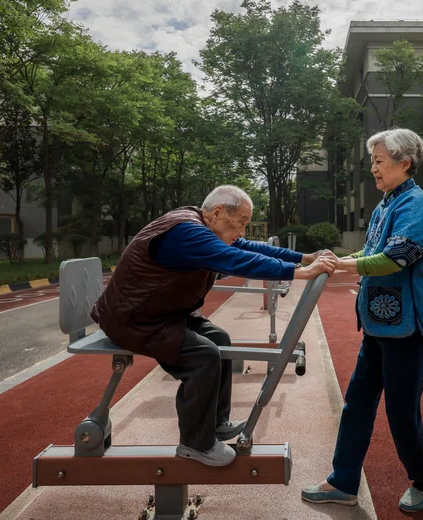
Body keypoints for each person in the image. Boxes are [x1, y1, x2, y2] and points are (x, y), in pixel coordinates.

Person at [90, 185, 336, 468]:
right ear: (219, 212)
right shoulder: (185, 232)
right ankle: (195, 443)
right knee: (203, 356)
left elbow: (246, 247)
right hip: (132, 318)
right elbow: (235, 259)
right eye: (241, 221)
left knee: (219, 339)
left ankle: (216, 424)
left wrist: (302, 258)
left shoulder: (202, 227)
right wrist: (299, 273)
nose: (242, 231)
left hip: (159, 313)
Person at [301, 128, 423, 513]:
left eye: (379, 162)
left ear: (404, 163)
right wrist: (344, 255)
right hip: (381, 325)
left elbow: (396, 257)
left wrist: (345, 264)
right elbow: (373, 249)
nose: (374, 169)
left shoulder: (415, 205)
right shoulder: (385, 205)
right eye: (373, 162)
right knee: (358, 403)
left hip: (408, 328)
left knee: (401, 413)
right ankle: (344, 480)